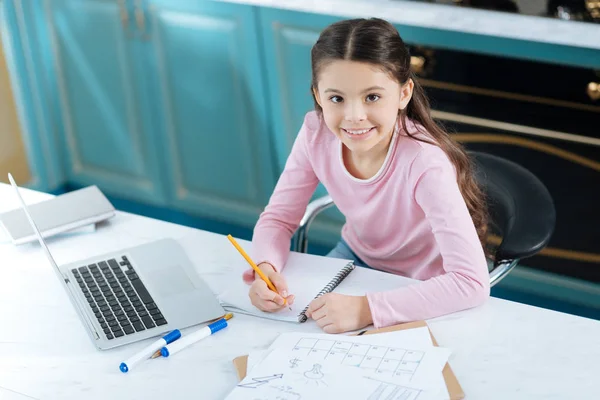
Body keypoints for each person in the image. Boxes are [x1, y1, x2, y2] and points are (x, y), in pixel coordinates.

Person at [242, 18, 490, 333]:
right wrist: (265, 267)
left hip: (422, 282)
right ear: (318, 96)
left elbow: (471, 283)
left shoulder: (425, 163)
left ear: (403, 94)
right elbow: (278, 218)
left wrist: (366, 308)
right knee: (291, 332)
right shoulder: (315, 132)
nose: (354, 116)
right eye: (337, 98)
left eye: (372, 97)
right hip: (355, 255)